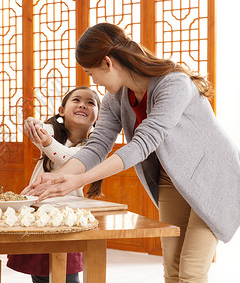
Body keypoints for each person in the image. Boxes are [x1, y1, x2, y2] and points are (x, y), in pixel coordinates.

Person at [24, 23, 240, 283]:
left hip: (214, 178)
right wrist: (55, 178)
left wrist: (81, 180)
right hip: (172, 179)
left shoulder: (174, 84)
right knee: (172, 269)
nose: (93, 81)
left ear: (107, 63)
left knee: (191, 271)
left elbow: (142, 143)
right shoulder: (116, 98)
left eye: (91, 73)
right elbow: (97, 145)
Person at [7, 86, 101, 283]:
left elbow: (71, 161)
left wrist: (47, 142)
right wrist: (32, 123)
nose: (83, 104)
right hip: (37, 212)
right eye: (76, 100)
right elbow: (40, 129)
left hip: (69, 217)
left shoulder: (93, 147)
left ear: (97, 117)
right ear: (61, 110)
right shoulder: (51, 132)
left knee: (67, 274)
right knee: (40, 273)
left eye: (91, 102)